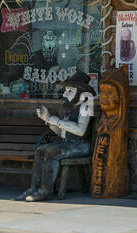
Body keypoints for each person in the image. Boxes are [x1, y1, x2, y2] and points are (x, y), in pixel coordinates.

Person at [16, 71, 95, 202]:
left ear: (80, 92)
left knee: (51, 152)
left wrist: (56, 121)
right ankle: (33, 188)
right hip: (67, 143)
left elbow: (80, 131)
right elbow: (62, 132)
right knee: (40, 150)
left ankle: (45, 191)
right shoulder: (69, 107)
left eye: (69, 91)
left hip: (81, 145)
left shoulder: (86, 106)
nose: (65, 94)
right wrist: (47, 119)